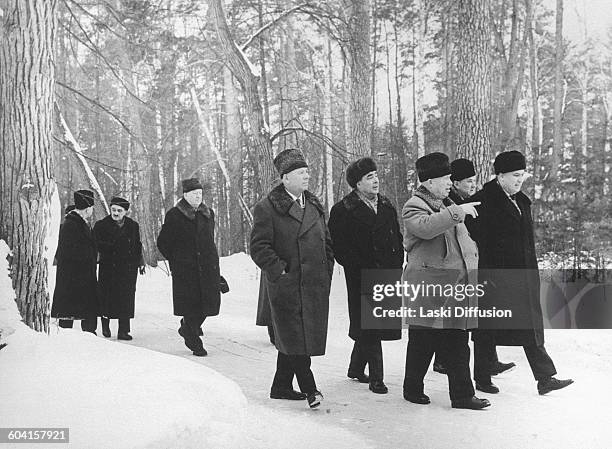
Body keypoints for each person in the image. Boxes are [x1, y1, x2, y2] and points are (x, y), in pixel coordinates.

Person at [468, 150, 573, 395]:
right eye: (515, 175)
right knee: (487, 327)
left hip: (523, 276)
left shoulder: (521, 201)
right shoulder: (482, 201)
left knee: (530, 325)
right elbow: (474, 242)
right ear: (500, 175)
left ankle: (545, 378)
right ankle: (482, 378)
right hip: (494, 278)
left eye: (523, 175)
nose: (520, 180)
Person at [401, 152, 490, 410]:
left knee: (454, 341)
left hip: (454, 286)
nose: (450, 183)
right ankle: (415, 388)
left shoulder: (447, 205)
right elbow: (426, 228)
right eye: (445, 179)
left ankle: (458, 395)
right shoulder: (414, 205)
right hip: (429, 286)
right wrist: (457, 212)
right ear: (429, 182)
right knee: (424, 341)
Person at [250, 148, 334, 409]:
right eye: (300, 172)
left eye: (307, 171)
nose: (307, 176)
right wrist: (279, 271)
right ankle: (310, 389)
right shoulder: (268, 208)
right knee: (296, 336)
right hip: (287, 285)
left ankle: (281, 386)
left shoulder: (315, 205)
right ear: (285, 178)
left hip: (314, 283)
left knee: (296, 336)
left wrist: (326, 268)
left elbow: (327, 242)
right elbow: (259, 247)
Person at [432, 158, 516, 378]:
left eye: (474, 180)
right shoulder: (452, 204)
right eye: (468, 181)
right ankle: (442, 360)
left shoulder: (470, 200)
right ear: (456, 183)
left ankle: (489, 360)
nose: (472, 185)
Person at [328, 157, 403, 394]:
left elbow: (396, 238)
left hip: (387, 273)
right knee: (371, 324)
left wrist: (396, 263)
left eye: (376, 176)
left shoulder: (387, 206)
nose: (376, 180)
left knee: (372, 322)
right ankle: (376, 378)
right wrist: (355, 264)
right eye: (369, 177)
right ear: (357, 184)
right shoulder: (343, 210)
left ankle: (356, 368)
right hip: (361, 275)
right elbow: (337, 245)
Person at [157, 178, 221, 357]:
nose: (198, 197)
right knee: (192, 305)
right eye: (194, 194)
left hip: (208, 267)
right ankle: (193, 339)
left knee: (208, 304)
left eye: (200, 194)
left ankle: (187, 326)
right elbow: (163, 242)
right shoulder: (174, 215)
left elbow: (209, 240)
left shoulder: (208, 214)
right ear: (185, 195)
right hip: (186, 269)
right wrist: (177, 259)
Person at [93, 196, 144, 341]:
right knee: (106, 296)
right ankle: (105, 325)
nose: (115, 213)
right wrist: (110, 248)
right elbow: (96, 244)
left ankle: (124, 330)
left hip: (128, 268)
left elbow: (137, 244)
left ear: (126, 212)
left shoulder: (133, 225)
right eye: (113, 210)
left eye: (119, 210)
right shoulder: (101, 225)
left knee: (126, 298)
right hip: (109, 266)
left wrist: (140, 261)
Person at [51, 190, 98, 334]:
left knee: (81, 307)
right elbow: (69, 251)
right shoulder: (72, 224)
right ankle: (67, 336)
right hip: (74, 276)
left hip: (80, 275)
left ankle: (89, 333)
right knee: (68, 311)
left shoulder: (79, 222)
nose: (92, 211)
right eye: (92, 208)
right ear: (88, 207)